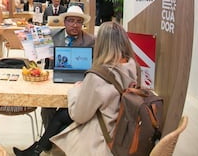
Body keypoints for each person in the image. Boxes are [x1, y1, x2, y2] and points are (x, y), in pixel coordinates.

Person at [13, 21, 138, 155]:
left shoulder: (98, 76)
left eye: (78, 21)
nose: (74, 25)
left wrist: (75, 90)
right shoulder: (133, 66)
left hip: (103, 130)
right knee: (60, 114)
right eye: (71, 21)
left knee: (62, 115)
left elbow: (79, 115)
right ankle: (37, 149)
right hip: (122, 123)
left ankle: (38, 149)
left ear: (100, 44)